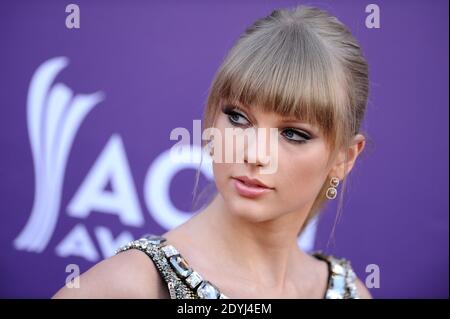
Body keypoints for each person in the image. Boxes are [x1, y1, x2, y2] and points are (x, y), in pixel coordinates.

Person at [53, 4, 372, 299]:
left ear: (344, 158)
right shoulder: (130, 287)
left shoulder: (350, 292)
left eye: (293, 133)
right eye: (238, 117)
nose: (254, 154)